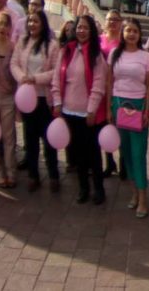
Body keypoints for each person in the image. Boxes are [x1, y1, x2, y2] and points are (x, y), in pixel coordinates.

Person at [51, 15, 109, 204]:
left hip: (88, 113)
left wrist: (92, 110)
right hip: (68, 110)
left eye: (85, 28)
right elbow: (56, 79)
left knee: (92, 152)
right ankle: (83, 187)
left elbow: (99, 85)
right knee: (77, 153)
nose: (81, 31)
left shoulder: (96, 55)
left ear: (91, 31)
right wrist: (57, 102)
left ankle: (98, 189)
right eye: (79, 27)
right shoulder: (66, 51)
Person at [106, 18, 149, 216]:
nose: (131, 34)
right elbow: (110, 82)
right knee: (125, 152)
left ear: (139, 34)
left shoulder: (145, 57)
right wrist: (109, 107)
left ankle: (143, 199)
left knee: (138, 153)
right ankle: (134, 193)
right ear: (123, 33)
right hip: (119, 104)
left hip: (137, 106)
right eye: (128, 31)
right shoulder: (114, 54)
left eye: (135, 31)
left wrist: (147, 111)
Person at [10, 11, 61, 192]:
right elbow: (14, 63)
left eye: (36, 21)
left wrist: (35, 78)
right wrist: (22, 77)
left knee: (49, 140)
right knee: (30, 138)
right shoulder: (22, 43)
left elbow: (56, 71)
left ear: (43, 24)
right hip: (26, 99)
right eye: (30, 21)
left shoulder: (52, 45)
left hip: (44, 99)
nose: (32, 24)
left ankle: (54, 175)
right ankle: (33, 175)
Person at [0, 12, 17, 188]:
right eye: (0, 24)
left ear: (10, 28)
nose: (3, 27)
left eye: (6, 25)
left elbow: (16, 72)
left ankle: (10, 172)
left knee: (9, 137)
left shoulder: (13, 48)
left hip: (9, 96)